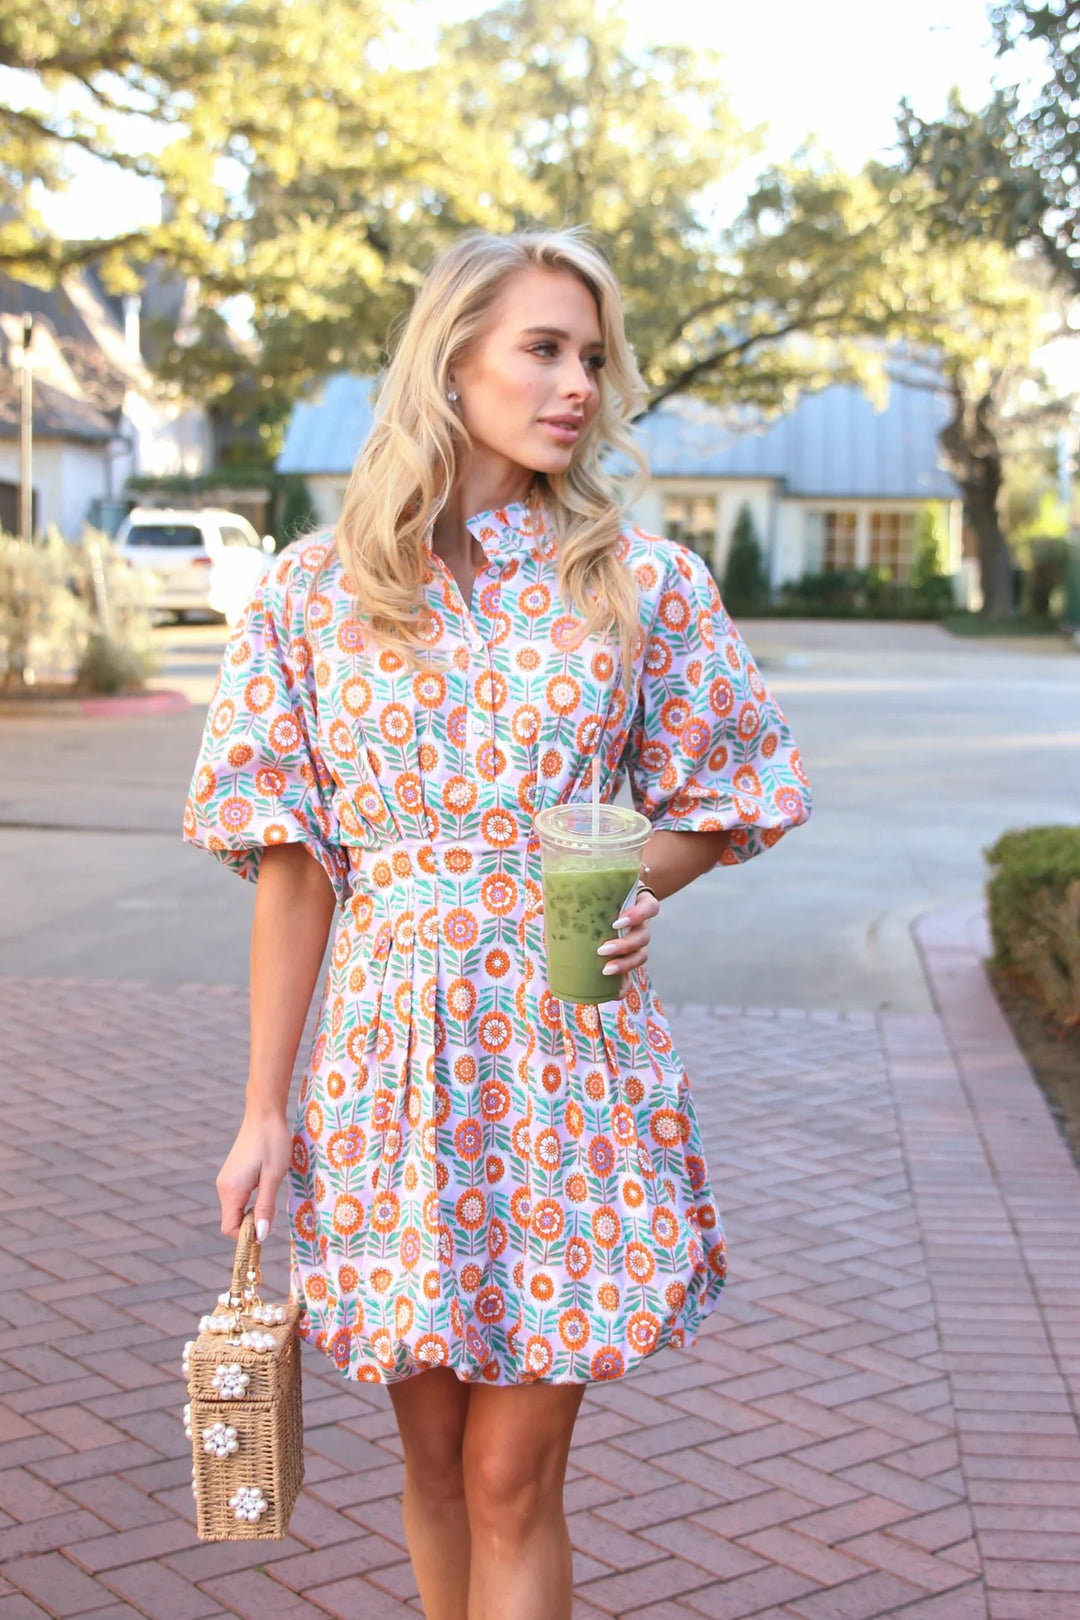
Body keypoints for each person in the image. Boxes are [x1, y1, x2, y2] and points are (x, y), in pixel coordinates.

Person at [184, 228, 811, 1620]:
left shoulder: (638, 582)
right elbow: (295, 869)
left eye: (592, 356)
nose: (577, 381)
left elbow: (735, 785)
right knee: (429, 1467)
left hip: (565, 1061)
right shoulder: (312, 590)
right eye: (543, 347)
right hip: (389, 1069)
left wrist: (642, 880)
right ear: (452, 359)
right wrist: (261, 1110)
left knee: (511, 1480)